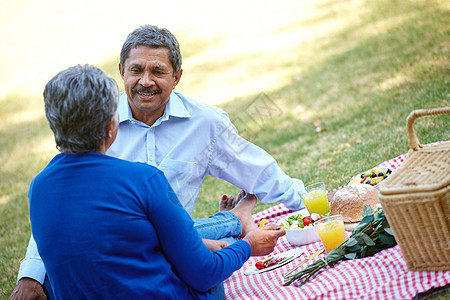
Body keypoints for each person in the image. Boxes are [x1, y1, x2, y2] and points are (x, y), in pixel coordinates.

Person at [10, 25, 307, 299]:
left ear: (177, 76)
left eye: (158, 71)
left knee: (164, 234)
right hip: (151, 250)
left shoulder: (205, 124)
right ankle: (234, 221)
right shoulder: (95, 117)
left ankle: (232, 223)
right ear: (121, 72)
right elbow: (63, 211)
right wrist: (30, 275)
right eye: (136, 70)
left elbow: (258, 170)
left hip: (164, 239)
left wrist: (309, 202)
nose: (145, 81)